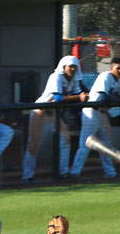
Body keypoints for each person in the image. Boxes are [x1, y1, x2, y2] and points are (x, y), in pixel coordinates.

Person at [22, 55, 87, 183]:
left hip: (55, 114)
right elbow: (58, 98)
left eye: (75, 67)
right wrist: (79, 97)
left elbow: (77, 95)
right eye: (70, 67)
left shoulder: (74, 80)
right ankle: (27, 175)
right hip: (40, 112)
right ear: (64, 67)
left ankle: (63, 172)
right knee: (34, 144)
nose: (73, 69)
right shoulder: (56, 76)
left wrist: (84, 96)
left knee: (66, 139)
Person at [70, 57, 120, 179]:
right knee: (85, 144)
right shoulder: (106, 76)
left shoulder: (118, 80)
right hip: (92, 112)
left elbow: (118, 94)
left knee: (106, 146)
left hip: (102, 114)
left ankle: (111, 173)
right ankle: (75, 173)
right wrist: (119, 99)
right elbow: (102, 98)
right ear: (111, 68)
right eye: (117, 68)